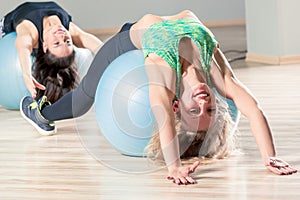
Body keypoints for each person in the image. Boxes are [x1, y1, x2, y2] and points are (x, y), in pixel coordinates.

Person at [20, 10, 297, 184]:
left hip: (128, 38)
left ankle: (40, 112)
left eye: (194, 112)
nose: (202, 103)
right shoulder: (216, 72)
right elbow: (253, 107)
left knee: (83, 99)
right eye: (210, 111)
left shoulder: (164, 73)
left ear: (177, 105)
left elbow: (163, 118)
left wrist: (174, 167)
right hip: (147, 25)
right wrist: (269, 157)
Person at [0, 1, 102, 103]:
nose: (62, 36)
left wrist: (26, 75)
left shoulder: (31, 32)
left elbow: (24, 48)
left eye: (57, 43)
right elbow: (100, 48)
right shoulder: (69, 29)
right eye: (67, 42)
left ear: (45, 46)